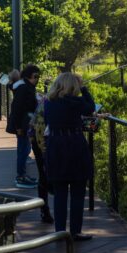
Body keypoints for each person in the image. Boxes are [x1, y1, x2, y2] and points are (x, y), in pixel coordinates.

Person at [43, 72, 95, 241]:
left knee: (60, 193)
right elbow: (91, 107)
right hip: (74, 144)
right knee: (78, 191)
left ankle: (59, 231)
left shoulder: (49, 103)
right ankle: (75, 230)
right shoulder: (76, 102)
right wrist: (84, 88)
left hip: (55, 145)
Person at [7, 64, 41, 189]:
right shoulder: (24, 88)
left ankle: (23, 175)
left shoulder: (26, 86)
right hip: (22, 125)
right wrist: (18, 127)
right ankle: (20, 177)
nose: (37, 79)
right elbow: (16, 109)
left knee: (25, 150)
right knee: (23, 150)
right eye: (35, 76)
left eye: (38, 76)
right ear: (28, 76)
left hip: (26, 124)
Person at [29, 93, 54, 224]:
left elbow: (33, 123)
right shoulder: (54, 103)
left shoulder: (44, 102)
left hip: (38, 143)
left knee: (43, 177)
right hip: (46, 144)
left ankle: (44, 210)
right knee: (46, 177)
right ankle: (46, 210)